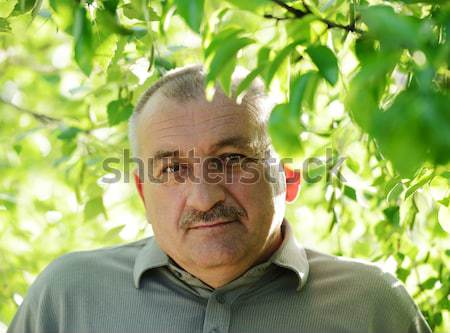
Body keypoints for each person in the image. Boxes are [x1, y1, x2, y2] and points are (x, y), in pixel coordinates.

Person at [8, 65, 431, 333]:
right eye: (172, 170)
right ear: (142, 191)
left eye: (231, 161)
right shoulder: (67, 298)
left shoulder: (373, 305)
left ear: (289, 176)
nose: (204, 197)